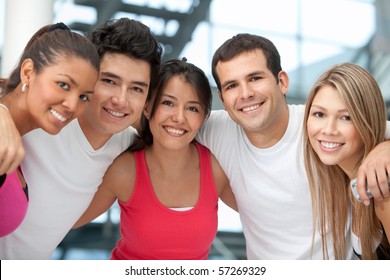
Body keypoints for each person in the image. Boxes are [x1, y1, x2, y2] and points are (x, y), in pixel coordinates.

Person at [196, 33, 390, 259]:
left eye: (255, 78)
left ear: (282, 82)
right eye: (232, 85)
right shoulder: (215, 130)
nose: (245, 93)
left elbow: (370, 124)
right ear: (221, 96)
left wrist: (384, 149)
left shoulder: (315, 124)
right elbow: (162, 125)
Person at [0, 18, 162, 259]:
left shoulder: (126, 147)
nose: (121, 100)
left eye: (136, 89)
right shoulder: (47, 114)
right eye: (109, 81)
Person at [73, 58, 236, 260]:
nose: (179, 117)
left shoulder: (215, 168)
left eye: (192, 108)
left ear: (203, 117)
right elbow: (68, 220)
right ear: (147, 108)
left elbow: (264, 214)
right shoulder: (125, 170)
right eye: (168, 103)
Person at [0, 22, 100, 238]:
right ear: (28, 72)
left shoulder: (16, 139)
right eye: (63, 85)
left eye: (84, 97)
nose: (73, 105)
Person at [303, 63, 390, 259]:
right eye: (319, 114)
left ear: (367, 121)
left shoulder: (382, 185)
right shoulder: (350, 181)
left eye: (346, 117)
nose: (329, 129)